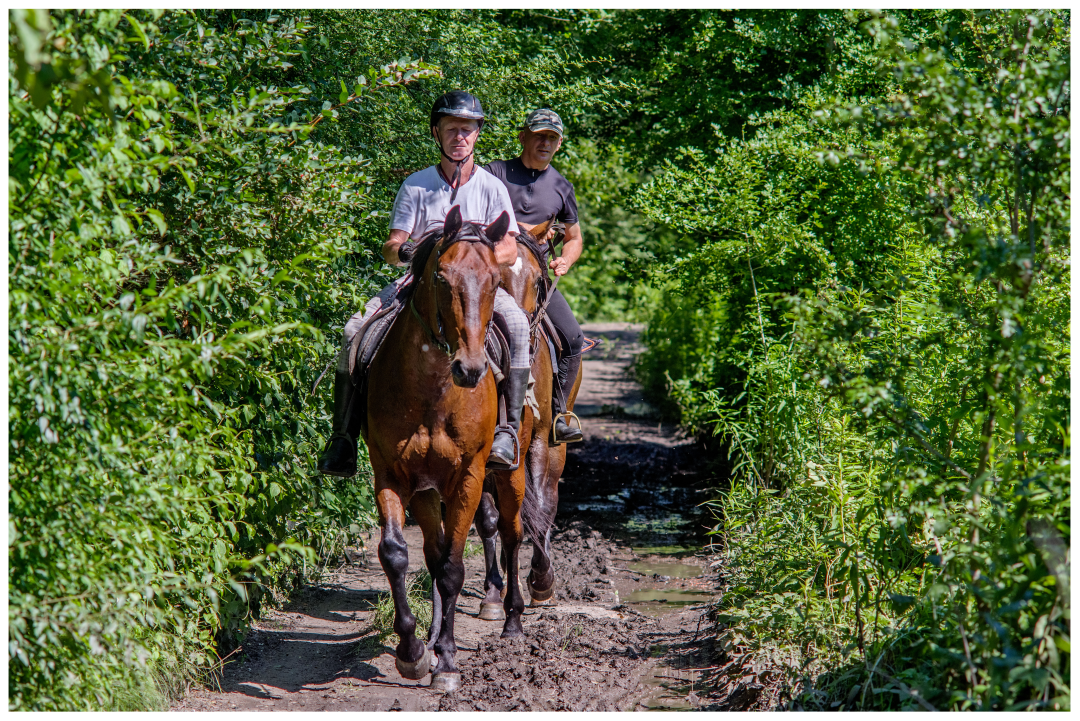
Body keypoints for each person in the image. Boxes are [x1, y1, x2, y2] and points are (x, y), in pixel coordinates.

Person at [318, 90, 532, 476]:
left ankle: (507, 430)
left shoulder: (492, 187)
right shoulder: (416, 185)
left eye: (467, 130)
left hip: (477, 289)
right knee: (354, 329)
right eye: (451, 129)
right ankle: (343, 437)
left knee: (517, 325)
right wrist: (405, 251)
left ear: (477, 134)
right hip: (417, 283)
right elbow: (392, 245)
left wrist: (476, 261)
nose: (459, 137)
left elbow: (510, 248)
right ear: (436, 133)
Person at [484, 108, 585, 443]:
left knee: (572, 337)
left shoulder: (561, 186)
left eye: (552, 138)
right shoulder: (494, 173)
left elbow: (574, 238)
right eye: (539, 136)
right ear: (522, 136)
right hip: (490, 275)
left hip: (536, 279)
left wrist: (565, 260)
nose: (545, 143)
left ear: (559, 144)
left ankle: (560, 415)